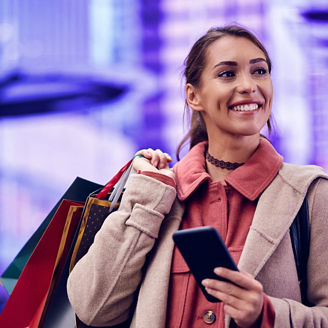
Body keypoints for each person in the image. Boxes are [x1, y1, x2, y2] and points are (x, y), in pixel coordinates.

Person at [67, 25, 328, 327]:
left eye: (260, 71)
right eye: (228, 74)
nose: (249, 85)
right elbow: (93, 309)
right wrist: (147, 201)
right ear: (193, 95)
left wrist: (267, 313)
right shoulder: (159, 193)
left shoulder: (312, 195)